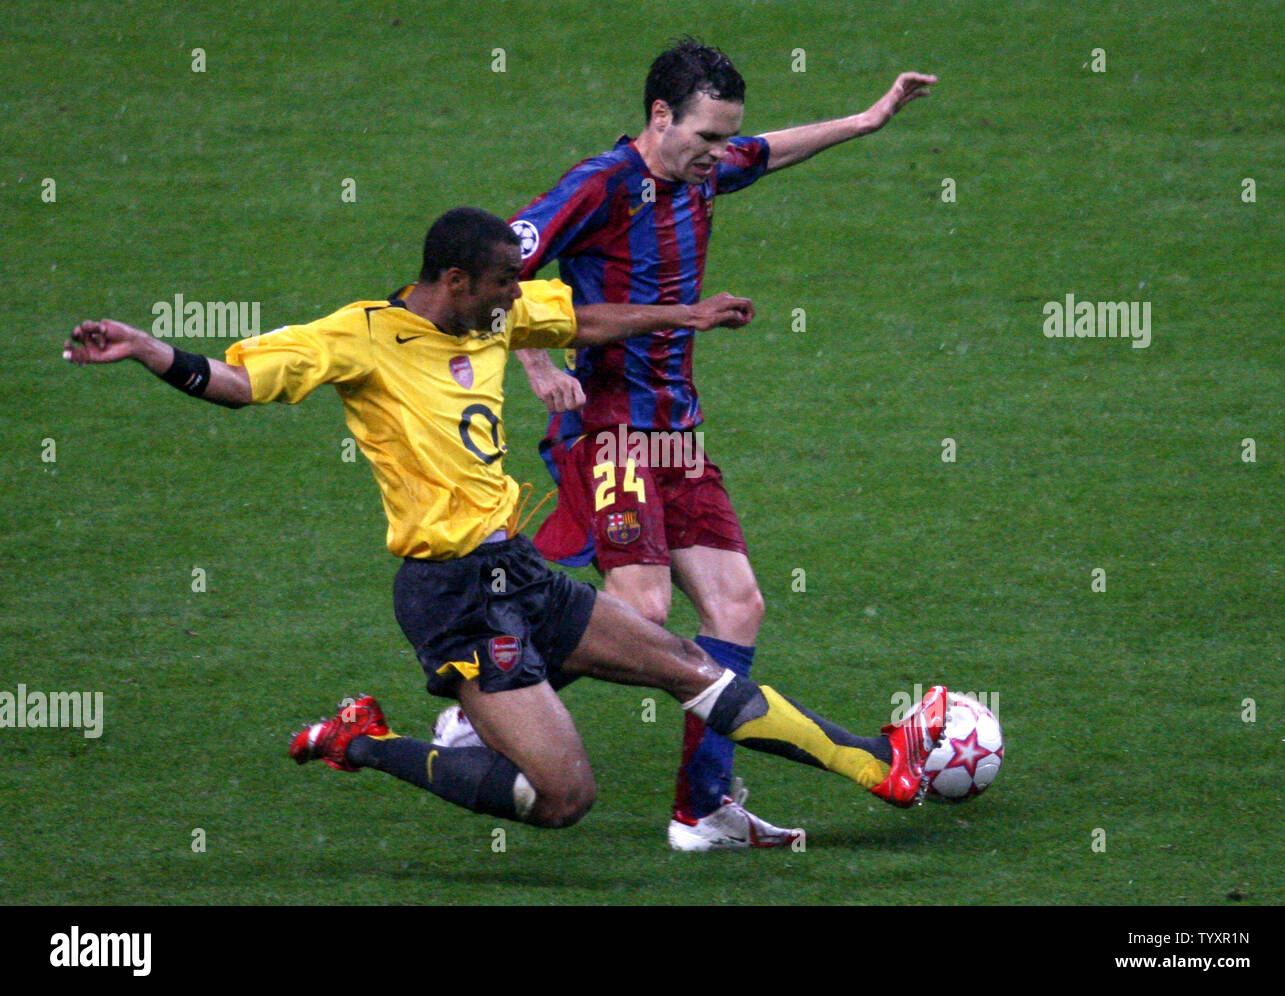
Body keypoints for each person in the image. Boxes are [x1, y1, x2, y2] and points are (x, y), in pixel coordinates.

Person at [62, 207, 948, 835]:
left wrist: (684, 314)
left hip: (514, 570)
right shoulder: (357, 337)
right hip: (451, 595)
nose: (510, 304)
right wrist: (149, 350)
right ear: (451, 280)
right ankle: (366, 744)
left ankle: (881, 763)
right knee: (562, 801)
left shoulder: (496, 313)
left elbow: (580, 318)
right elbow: (239, 383)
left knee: (684, 661)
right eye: (497, 289)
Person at [452, 40, 938, 850]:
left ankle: (703, 809)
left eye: (726, 139)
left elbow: (767, 152)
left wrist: (867, 119)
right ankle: (483, 697)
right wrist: (536, 363)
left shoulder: (703, 167)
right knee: (643, 608)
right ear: (660, 117)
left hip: (677, 432)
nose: (722, 155)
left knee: (739, 604)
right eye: (708, 138)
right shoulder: (600, 185)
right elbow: (494, 261)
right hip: (606, 426)